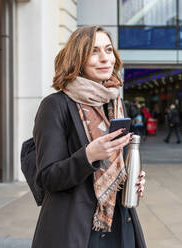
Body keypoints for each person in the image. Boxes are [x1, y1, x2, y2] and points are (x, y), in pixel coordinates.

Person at [31, 26, 146, 248]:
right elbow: (47, 177)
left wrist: (133, 176)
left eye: (109, 50)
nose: (105, 58)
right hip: (77, 229)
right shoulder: (55, 105)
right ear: (78, 59)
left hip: (120, 223)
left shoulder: (115, 104)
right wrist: (89, 155)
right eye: (94, 51)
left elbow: (117, 161)